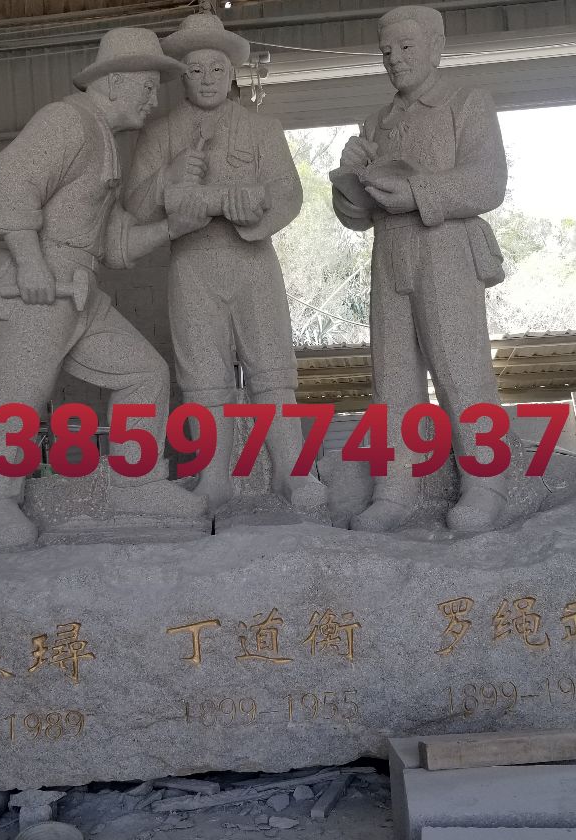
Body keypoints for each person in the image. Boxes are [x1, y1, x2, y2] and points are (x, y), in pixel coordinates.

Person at [0, 27, 210, 551]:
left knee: (144, 373)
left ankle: (136, 485)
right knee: (16, 391)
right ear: (115, 82)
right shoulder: (67, 121)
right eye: (147, 86)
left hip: (80, 288)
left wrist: (172, 228)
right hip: (40, 284)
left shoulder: (102, 139)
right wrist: (30, 261)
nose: (152, 99)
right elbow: (7, 176)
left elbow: (113, 241)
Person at [125, 12, 327, 514]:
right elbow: (136, 206)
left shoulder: (261, 128)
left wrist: (255, 210)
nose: (208, 79)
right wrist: (170, 176)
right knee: (202, 377)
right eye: (195, 70)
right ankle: (212, 476)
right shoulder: (161, 132)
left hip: (251, 261)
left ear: (232, 72)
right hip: (192, 265)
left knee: (272, 371)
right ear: (182, 76)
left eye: (217, 69)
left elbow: (288, 192)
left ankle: (291, 471)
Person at [332, 5, 509, 534]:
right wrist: (349, 177)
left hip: (446, 249)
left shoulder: (466, 103)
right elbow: (357, 216)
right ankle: (396, 488)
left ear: (436, 47)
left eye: (406, 47)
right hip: (389, 254)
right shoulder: (376, 123)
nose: (394, 59)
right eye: (386, 51)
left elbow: (488, 181)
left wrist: (416, 191)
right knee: (392, 378)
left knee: (461, 368)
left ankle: (487, 483)